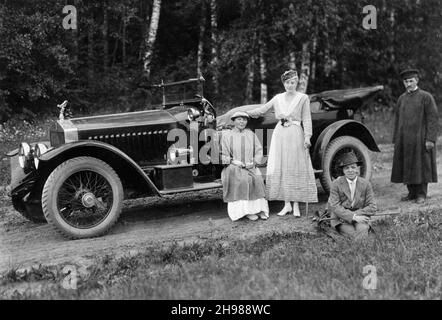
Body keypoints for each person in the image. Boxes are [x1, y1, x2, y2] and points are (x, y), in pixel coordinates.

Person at [246, 70, 318, 217]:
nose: (290, 85)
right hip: (280, 135)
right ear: (283, 83)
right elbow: (263, 109)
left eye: (292, 82)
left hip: (295, 133)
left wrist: (307, 137)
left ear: (296, 83)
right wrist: (246, 113)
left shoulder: (302, 98)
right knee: (283, 167)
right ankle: (287, 205)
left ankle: (296, 204)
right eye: (287, 82)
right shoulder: (278, 98)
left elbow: (307, 118)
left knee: (294, 167)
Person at [391, 69, 439, 204]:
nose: (408, 84)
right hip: (405, 140)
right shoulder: (402, 99)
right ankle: (411, 193)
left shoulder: (426, 97)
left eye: (411, 81)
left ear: (417, 81)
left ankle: (421, 194)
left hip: (421, 139)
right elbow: (397, 120)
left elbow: (433, 119)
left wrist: (430, 139)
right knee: (407, 165)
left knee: (422, 166)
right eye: (406, 81)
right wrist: (396, 139)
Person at [220, 111, 269, 221]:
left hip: (249, 165)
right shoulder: (227, 136)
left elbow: (258, 150)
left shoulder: (250, 134)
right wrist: (234, 161)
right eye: (239, 119)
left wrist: (254, 162)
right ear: (234, 121)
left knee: (257, 179)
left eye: (244, 119)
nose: (242, 122)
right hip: (233, 166)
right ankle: (246, 212)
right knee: (243, 180)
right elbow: (223, 155)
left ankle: (259, 209)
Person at [327, 152, 377, 239]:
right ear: (343, 170)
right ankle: (360, 247)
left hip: (361, 217)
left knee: (362, 229)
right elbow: (335, 206)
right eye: (347, 168)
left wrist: (356, 216)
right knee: (354, 233)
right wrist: (353, 217)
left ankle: (359, 246)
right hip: (340, 219)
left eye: (353, 167)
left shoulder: (366, 184)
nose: (350, 170)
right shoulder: (336, 184)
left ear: (357, 169)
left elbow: (372, 206)